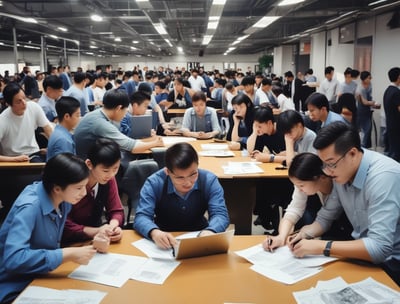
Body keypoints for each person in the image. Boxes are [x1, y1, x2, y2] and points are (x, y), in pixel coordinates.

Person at [288, 122, 400, 286]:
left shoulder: (382, 177)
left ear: (352, 153)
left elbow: (379, 248)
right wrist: (305, 234)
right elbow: (326, 216)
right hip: (364, 258)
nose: (326, 171)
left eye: (331, 164)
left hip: (392, 266)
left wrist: (322, 246)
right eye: (323, 164)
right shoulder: (342, 173)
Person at [0, 153, 96, 303]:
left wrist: (96, 238)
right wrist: (65, 254)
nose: (84, 193)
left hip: (41, 274)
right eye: (78, 188)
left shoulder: (63, 200)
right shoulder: (30, 207)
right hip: (14, 284)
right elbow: (14, 259)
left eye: (85, 186)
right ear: (57, 188)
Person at [133, 142, 230, 249]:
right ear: (167, 172)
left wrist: (211, 231)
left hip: (200, 235)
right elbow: (142, 216)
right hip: (164, 236)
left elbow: (220, 214)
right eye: (180, 178)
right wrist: (154, 232)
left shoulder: (209, 180)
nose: (188, 183)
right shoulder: (154, 183)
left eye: (193, 174)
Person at [62, 138, 124, 244]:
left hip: (96, 240)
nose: (111, 175)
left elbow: (116, 210)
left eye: (115, 169)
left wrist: (113, 227)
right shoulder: (72, 180)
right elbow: (64, 223)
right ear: (89, 164)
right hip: (69, 242)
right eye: (105, 170)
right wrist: (96, 231)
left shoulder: (108, 179)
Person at [74, 88, 164, 160]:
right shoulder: (101, 123)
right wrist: (155, 143)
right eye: (125, 110)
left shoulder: (97, 114)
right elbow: (132, 147)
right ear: (118, 108)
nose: (126, 113)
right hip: (89, 165)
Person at [0, 83, 53, 162]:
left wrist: (53, 147)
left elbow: (48, 129)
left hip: (34, 154)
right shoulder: (3, 120)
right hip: (13, 160)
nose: (24, 103)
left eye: (24, 98)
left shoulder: (33, 107)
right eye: (19, 101)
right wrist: (14, 159)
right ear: (9, 104)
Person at [46, 96, 81, 161]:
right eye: (77, 115)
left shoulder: (58, 132)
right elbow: (65, 168)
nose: (79, 118)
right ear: (67, 116)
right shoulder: (63, 140)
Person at [383, 67, 400, 162]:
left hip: (389, 124)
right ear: (399, 77)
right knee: (396, 153)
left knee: (392, 150)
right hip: (397, 126)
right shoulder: (397, 92)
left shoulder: (388, 91)